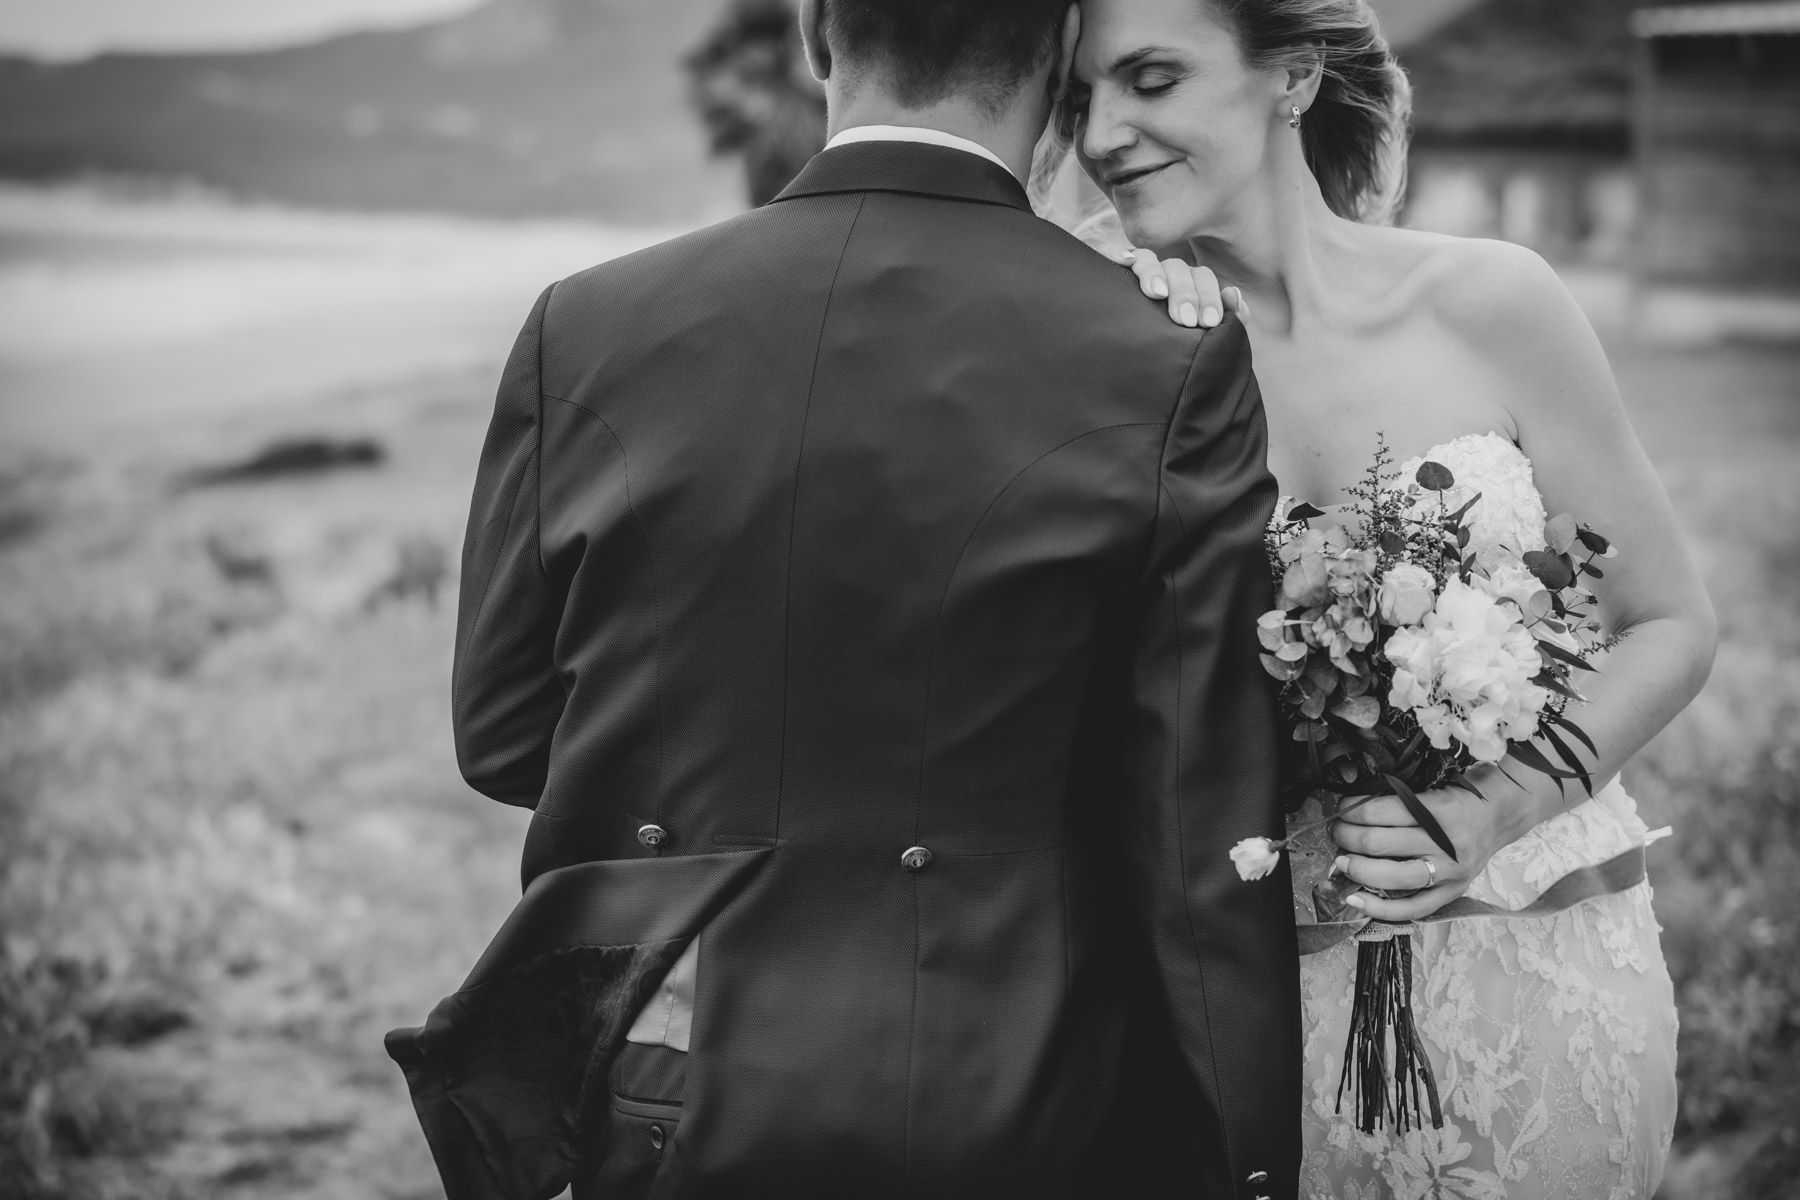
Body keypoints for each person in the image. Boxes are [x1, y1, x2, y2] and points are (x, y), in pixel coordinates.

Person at [387, 1, 1301, 1197]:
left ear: (817, 31)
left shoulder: (586, 323)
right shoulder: (1162, 354)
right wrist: (1244, 1166)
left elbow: (506, 734)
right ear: (1057, 50)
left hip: (667, 1086)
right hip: (1016, 1088)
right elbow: (1192, 816)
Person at [1060, 0, 1717, 1195]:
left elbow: (1669, 623)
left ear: (1294, 76)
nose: (1102, 133)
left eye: (1150, 80)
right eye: (1076, 98)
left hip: (1539, 967)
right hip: (1261, 1013)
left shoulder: (1495, 301)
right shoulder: (1107, 357)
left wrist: (1495, 811)